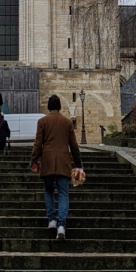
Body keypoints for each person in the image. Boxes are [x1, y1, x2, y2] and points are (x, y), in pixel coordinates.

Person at [30, 94, 82, 241]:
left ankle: (51, 220)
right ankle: (61, 225)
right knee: (64, 193)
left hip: (47, 161)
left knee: (48, 190)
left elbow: (37, 144)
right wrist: (78, 165)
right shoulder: (67, 122)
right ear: (59, 106)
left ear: (48, 107)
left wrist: (34, 161)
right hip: (63, 162)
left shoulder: (42, 121)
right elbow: (74, 146)